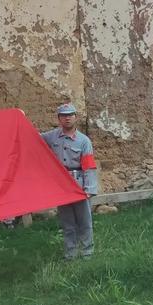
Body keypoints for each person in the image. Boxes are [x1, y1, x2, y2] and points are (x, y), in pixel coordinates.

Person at [41, 104, 98, 261]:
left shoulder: (83, 141)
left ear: (75, 117)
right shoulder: (52, 136)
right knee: (67, 222)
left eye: (70, 115)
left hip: (78, 184)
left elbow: (89, 166)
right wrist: (21, 117)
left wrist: (89, 188)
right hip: (62, 185)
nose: (67, 118)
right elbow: (34, 139)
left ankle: (87, 253)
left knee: (84, 220)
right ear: (59, 118)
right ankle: (70, 254)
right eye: (63, 115)